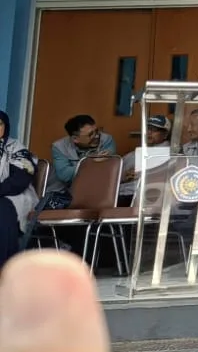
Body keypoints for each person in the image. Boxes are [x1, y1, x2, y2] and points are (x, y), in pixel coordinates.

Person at [44, 115, 116, 209]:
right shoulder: (59, 147)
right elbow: (64, 175)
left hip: (98, 189)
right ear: (75, 139)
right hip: (66, 192)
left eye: (97, 131)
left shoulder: (106, 140)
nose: (97, 136)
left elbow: (108, 169)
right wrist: (91, 162)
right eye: (90, 134)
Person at [0, 112, 40, 267]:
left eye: (0, 124)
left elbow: (20, 180)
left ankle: (5, 266)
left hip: (14, 195)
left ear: (6, 126)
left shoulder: (16, 149)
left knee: (3, 210)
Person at [115, 116, 172, 206]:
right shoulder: (135, 153)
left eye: (154, 130)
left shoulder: (167, 152)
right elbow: (116, 175)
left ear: (165, 134)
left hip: (138, 196)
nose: (149, 132)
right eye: (147, 129)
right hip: (120, 192)